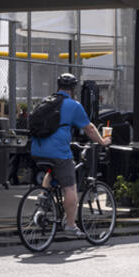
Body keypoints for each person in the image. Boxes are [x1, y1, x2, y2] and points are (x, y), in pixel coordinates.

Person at [30, 72, 105, 236]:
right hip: (58, 152)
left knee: (51, 171)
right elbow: (89, 129)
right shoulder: (73, 105)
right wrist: (102, 142)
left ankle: (42, 206)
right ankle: (71, 225)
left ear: (58, 86)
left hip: (37, 149)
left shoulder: (46, 101)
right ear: (73, 88)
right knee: (70, 187)